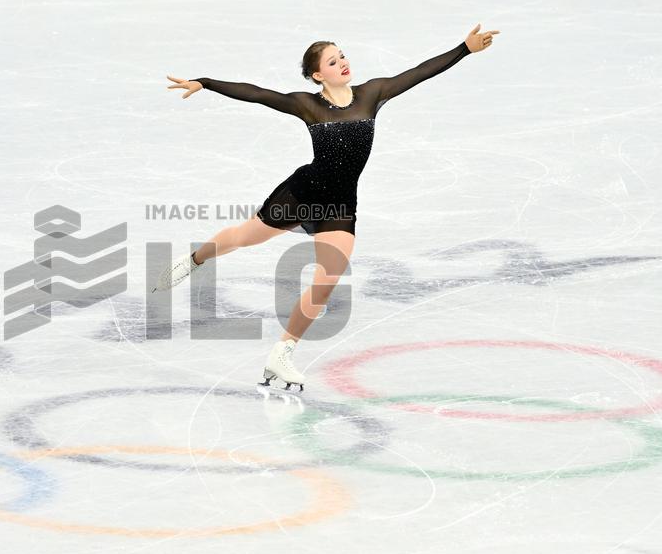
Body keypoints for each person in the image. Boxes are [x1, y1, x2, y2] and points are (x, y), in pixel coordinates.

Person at [153, 24, 500, 392]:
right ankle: (194, 260)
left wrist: (464, 48)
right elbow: (257, 94)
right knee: (245, 237)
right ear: (319, 74)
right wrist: (204, 82)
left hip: (340, 203)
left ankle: (283, 351)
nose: (343, 63)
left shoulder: (373, 94)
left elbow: (418, 73)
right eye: (333, 61)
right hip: (303, 194)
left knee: (329, 277)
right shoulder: (309, 105)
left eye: (343, 55)